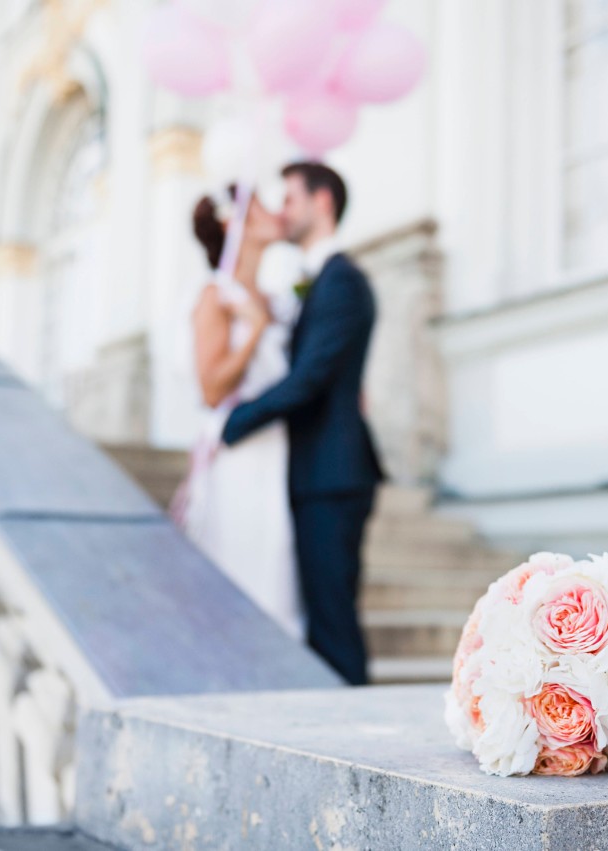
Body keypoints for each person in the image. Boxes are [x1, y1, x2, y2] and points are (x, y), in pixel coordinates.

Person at [222, 162, 384, 685]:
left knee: (334, 625)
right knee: (321, 620)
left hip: (332, 475)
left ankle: (355, 743)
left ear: (322, 203)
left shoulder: (343, 280)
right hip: (317, 470)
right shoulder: (319, 282)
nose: (282, 211)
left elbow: (310, 378)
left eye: (290, 199)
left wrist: (234, 421)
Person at [176, 185, 305, 640]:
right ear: (236, 222)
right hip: (239, 450)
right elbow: (210, 388)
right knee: (244, 558)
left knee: (277, 565)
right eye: (262, 206)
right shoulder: (218, 295)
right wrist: (254, 331)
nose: (275, 213)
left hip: (278, 447)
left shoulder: (276, 296)